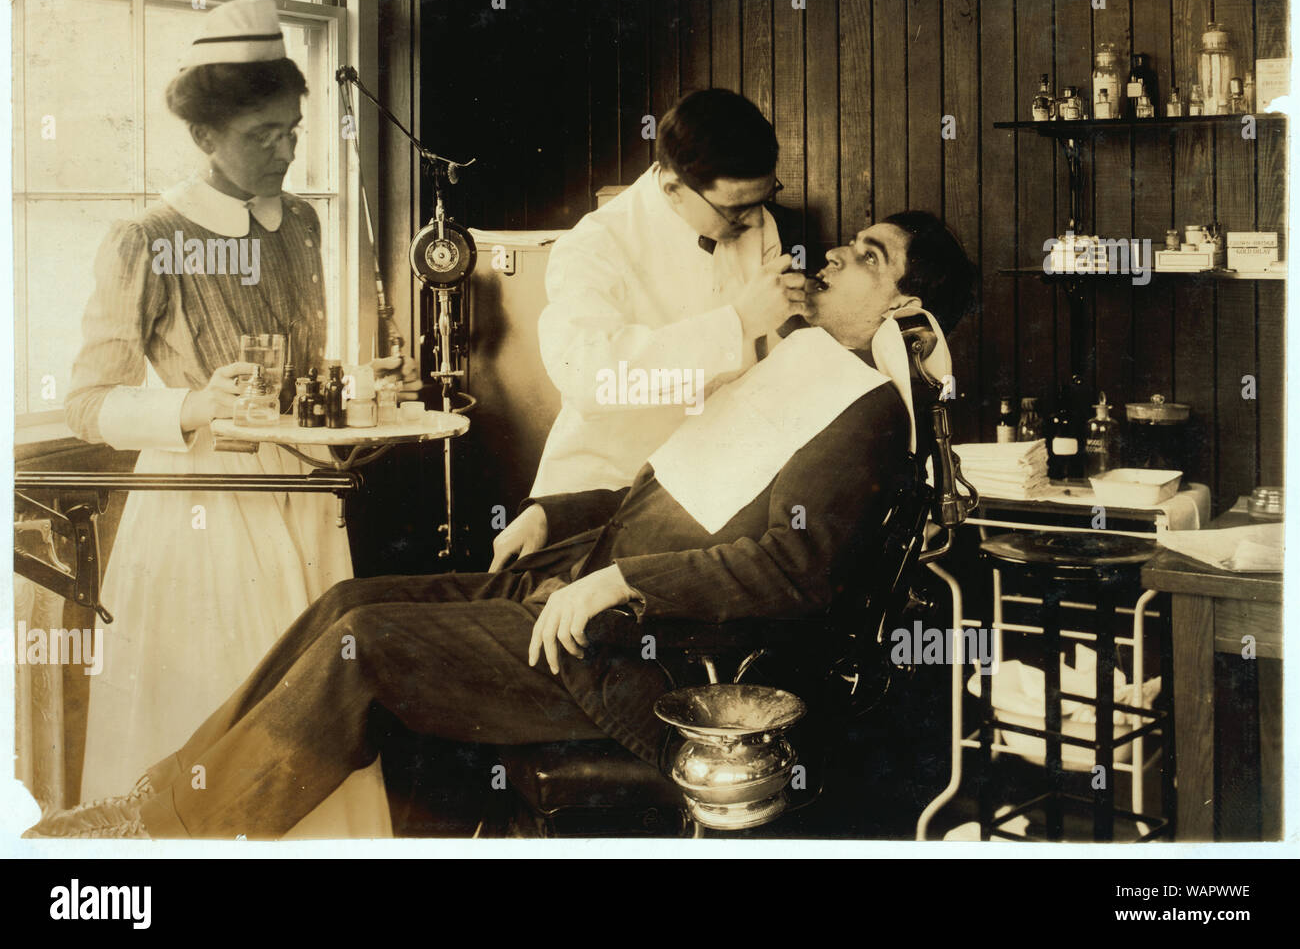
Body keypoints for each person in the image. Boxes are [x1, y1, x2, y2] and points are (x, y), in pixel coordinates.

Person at [31, 211, 975, 839]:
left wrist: (625, 583)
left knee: (366, 646)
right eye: (852, 240)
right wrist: (550, 511)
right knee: (346, 600)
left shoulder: (867, 412)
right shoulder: (799, 364)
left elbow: (792, 571)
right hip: (579, 584)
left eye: (870, 256)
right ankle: (157, 802)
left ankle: (162, 840)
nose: (839, 255)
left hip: (645, 653)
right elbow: (672, 487)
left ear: (902, 306)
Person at [61, 0, 393, 836]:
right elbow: (88, 402)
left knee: (315, 718)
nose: (286, 151)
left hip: (305, 502)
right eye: (263, 137)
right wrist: (195, 405)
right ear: (205, 137)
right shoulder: (146, 237)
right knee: (220, 715)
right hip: (203, 508)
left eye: (292, 129)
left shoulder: (305, 225)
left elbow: (299, 377)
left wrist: (361, 388)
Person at [492, 88, 808, 568]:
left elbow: (768, 354)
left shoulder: (755, 220)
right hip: (601, 490)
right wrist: (738, 322)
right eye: (734, 210)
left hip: (703, 486)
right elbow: (594, 379)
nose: (752, 221)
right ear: (672, 188)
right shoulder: (595, 246)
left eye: (762, 201)